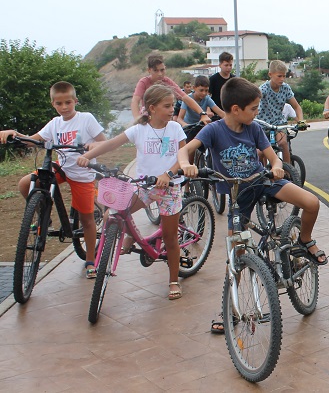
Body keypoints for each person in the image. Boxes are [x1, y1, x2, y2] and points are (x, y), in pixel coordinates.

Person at [178, 77, 327, 332]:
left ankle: (304, 239)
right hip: (238, 193)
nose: (257, 112)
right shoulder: (213, 130)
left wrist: (278, 168)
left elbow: (272, 158)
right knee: (234, 253)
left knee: (311, 202)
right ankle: (230, 309)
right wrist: (186, 165)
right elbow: (186, 150)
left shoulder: (254, 128)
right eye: (254, 108)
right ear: (236, 109)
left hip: (262, 181)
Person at [78, 84, 186, 300]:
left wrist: (168, 174)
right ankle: (131, 237)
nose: (172, 109)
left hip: (170, 189)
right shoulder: (139, 130)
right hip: (144, 187)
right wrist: (88, 157)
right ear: (152, 108)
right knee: (115, 213)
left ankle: (173, 280)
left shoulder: (175, 128)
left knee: (170, 237)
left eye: (172, 105)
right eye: (167, 106)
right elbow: (110, 144)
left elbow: (183, 157)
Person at [0, 81, 105, 279]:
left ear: (75, 101)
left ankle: (91, 259)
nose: (64, 107)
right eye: (59, 103)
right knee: (25, 184)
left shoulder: (86, 119)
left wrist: (92, 147)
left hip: (82, 173)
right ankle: (43, 218)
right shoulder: (55, 123)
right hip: (61, 168)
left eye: (68, 102)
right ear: (53, 104)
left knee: (86, 218)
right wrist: (13, 133)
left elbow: (103, 141)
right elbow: (32, 140)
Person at [131, 54, 212, 125]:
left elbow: (185, 98)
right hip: (149, 120)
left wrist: (202, 114)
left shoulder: (167, 81)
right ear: (149, 70)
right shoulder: (144, 82)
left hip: (165, 121)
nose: (160, 74)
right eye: (156, 70)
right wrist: (138, 119)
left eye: (162, 70)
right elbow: (135, 101)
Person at [257, 60, 304, 159]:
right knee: (261, 152)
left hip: (279, 122)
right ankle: (263, 172)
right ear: (270, 74)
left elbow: (296, 106)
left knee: (283, 143)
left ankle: (288, 171)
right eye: (279, 76)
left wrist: (301, 121)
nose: (282, 79)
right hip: (263, 124)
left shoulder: (285, 88)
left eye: (284, 76)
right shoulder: (263, 89)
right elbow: (253, 102)